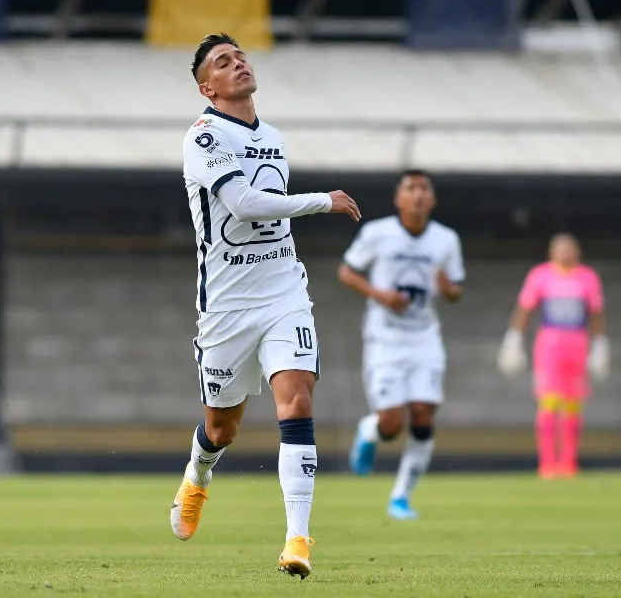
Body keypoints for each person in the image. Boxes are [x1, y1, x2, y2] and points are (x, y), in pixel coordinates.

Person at [171, 33, 361, 579]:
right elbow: (244, 204)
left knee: (296, 403)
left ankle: (297, 540)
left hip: (284, 293)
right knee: (222, 427)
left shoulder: (272, 136)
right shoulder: (204, 136)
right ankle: (197, 476)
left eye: (240, 57)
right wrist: (323, 201)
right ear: (208, 87)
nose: (238, 65)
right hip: (228, 307)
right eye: (223, 63)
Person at [338, 169, 464, 520]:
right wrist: (379, 294)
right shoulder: (377, 233)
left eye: (425, 189)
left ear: (433, 199)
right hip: (385, 339)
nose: (419, 195)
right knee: (391, 425)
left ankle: (401, 497)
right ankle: (369, 431)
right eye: (412, 188)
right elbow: (347, 272)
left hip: (425, 338)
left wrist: (449, 288)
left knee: (423, 415)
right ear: (399, 198)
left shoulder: (446, 240)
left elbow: (455, 291)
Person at [497, 233, 609, 479]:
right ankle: (547, 463)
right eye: (561, 248)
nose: (566, 252)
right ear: (551, 251)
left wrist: (600, 343)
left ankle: (569, 462)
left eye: (570, 248)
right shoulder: (540, 275)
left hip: (577, 344)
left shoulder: (587, 277)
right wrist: (514, 338)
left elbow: (596, 313)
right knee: (548, 402)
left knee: (573, 404)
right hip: (549, 344)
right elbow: (525, 309)